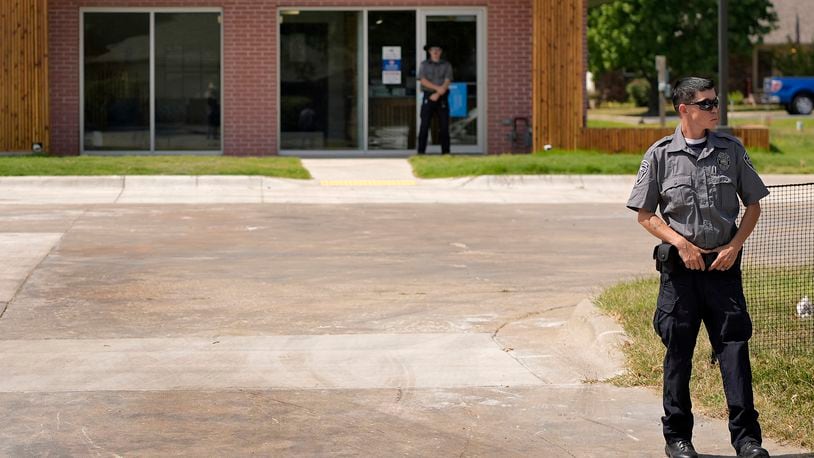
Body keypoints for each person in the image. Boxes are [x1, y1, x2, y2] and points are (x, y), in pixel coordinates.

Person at [626, 77, 770, 458]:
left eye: (715, 101)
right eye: (706, 104)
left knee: (735, 352)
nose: (714, 108)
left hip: (724, 268)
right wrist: (680, 243)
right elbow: (645, 214)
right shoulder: (659, 155)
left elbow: (753, 204)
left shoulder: (731, 150)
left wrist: (735, 246)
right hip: (681, 273)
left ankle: (747, 440)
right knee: (679, 353)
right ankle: (677, 438)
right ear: (684, 109)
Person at [417, 43, 453, 154]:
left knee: (444, 126)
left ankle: (446, 153)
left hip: (442, 97)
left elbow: (447, 80)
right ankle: (421, 153)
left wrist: (438, 93)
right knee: (424, 125)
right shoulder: (424, 64)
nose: (435, 52)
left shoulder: (446, 65)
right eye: (433, 50)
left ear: (441, 52)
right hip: (428, 96)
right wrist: (437, 89)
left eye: (438, 49)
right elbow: (422, 80)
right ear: (429, 52)